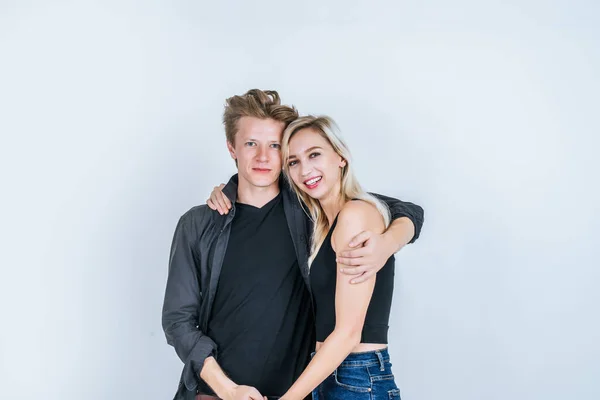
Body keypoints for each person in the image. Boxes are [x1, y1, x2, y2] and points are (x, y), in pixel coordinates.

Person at [162, 89, 423, 400]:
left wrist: (389, 242)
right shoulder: (199, 224)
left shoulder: (312, 212)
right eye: (250, 144)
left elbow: (401, 209)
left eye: (274, 146)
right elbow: (178, 320)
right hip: (216, 394)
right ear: (232, 147)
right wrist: (226, 389)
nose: (262, 157)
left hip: (301, 391)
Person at [276, 115, 404, 400]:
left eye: (314, 155)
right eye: (293, 162)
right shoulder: (324, 225)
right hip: (332, 375)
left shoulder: (355, 216)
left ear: (340, 157)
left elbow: (348, 333)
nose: (305, 169)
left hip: (356, 378)